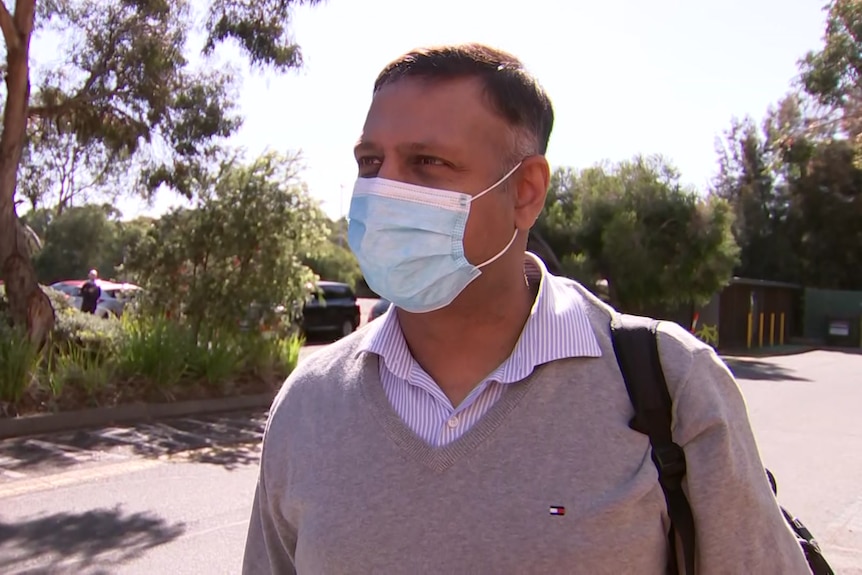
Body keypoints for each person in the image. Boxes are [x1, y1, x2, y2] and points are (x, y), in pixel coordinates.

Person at [242, 44, 811, 574]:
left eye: (427, 163)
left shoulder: (670, 383)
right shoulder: (308, 402)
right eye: (370, 162)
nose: (383, 189)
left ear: (525, 192)